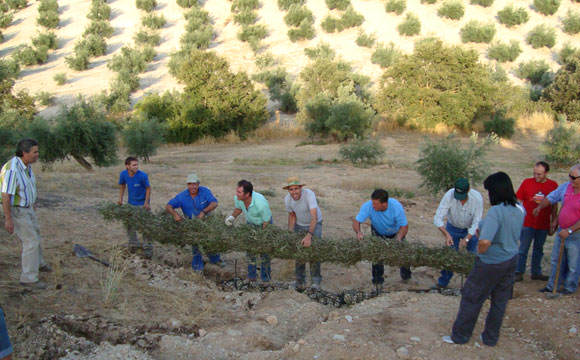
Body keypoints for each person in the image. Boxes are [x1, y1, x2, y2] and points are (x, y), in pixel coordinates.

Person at [443, 172, 524, 347]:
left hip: (490, 262)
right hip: (511, 259)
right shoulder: (519, 208)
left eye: (489, 191)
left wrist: (481, 250)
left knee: (472, 297)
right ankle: (490, 338)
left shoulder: (496, 211)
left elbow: (486, 241)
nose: (488, 195)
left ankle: (460, 336)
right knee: (500, 301)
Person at [1, 139, 50, 289]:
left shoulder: (26, 166)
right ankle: (28, 279)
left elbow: (26, 187)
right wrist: (8, 218)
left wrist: (32, 203)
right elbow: (5, 196)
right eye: (34, 152)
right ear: (24, 153)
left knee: (36, 235)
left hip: (27, 208)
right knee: (31, 241)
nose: (37, 155)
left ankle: (39, 264)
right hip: (18, 210)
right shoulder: (12, 169)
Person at [352, 189, 411, 293]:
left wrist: (398, 238)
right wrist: (358, 232)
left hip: (396, 232)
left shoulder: (396, 207)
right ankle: (377, 281)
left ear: (384, 203)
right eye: (372, 202)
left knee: (404, 253)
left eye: (376, 204)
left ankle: (406, 276)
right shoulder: (368, 206)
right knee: (377, 256)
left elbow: (404, 226)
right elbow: (356, 221)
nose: (373, 206)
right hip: (378, 231)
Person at [536, 164, 580, 295]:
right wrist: (540, 207)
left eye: (574, 177)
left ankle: (569, 287)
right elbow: (551, 198)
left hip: (576, 234)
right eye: (570, 176)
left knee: (574, 262)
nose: (571, 179)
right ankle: (552, 285)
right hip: (562, 230)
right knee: (556, 259)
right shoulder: (566, 187)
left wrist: (570, 230)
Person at [433, 178, 483, 289]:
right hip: (452, 228)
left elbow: (477, 222)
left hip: (470, 228)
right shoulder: (449, 195)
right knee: (450, 255)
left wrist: (467, 239)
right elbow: (438, 218)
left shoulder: (477, 198)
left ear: (468, 190)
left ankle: (473, 285)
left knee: (473, 256)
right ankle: (443, 283)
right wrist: (447, 234)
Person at [514, 161, 558, 282]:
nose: (536, 176)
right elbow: (518, 199)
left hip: (543, 223)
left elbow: (554, 205)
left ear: (546, 173)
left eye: (539, 174)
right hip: (527, 222)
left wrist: (553, 220)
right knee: (523, 248)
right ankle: (519, 271)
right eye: (535, 173)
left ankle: (536, 272)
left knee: (539, 248)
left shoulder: (553, 185)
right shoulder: (527, 182)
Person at [166, 173, 219, 271]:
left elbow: (214, 203)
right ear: (187, 185)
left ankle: (215, 260)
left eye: (195, 184)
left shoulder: (205, 191)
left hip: (206, 222)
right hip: (192, 224)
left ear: (198, 184)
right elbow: (169, 205)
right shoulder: (182, 196)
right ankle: (197, 267)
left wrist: (204, 212)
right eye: (190, 184)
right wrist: (175, 214)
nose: (193, 186)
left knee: (210, 241)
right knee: (195, 244)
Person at [225, 180, 273, 282]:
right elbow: (239, 208)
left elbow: (267, 221)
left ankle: (266, 279)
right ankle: (252, 277)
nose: (236, 194)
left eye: (239, 192)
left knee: (264, 252)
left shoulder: (260, 203)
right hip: (251, 224)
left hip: (264, 224)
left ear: (247, 194)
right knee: (250, 250)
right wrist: (232, 218)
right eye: (236, 191)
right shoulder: (238, 198)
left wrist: (261, 236)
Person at [283, 176, 323, 290]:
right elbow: (292, 215)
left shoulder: (309, 195)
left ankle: (316, 281)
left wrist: (309, 236)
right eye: (291, 189)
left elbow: (314, 217)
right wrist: (290, 233)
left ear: (301, 188)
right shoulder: (287, 200)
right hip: (299, 224)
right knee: (299, 252)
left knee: (314, 251)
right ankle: (300, 281)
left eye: (296, 188)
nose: (294, 192)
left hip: (316, 223)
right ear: (288, 190)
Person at [117, 157, 152, 258]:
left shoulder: (142, 176)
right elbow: (122, 185)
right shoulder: (123, 174)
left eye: (137, 164)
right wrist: (120, 199)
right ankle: (134, 245)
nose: (136, 167)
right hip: (130, 204)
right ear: (127, 166)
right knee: (129, 225)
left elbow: (148, 188)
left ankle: (148, 251)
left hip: (142, 205)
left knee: (146, 227)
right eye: (134, 165)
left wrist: (146, 203)